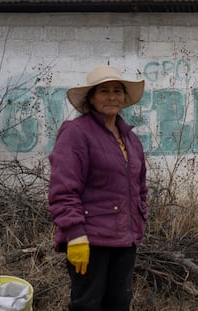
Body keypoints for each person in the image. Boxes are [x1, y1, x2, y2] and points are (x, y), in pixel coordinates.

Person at [48, 65, 148, 311]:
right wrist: (74, 233)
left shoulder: (130, 139)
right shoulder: (76, 133)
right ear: (91, 98)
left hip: (125, 240)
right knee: (87, 305)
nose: (112, 96)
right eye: (104, 91)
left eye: (117, 91)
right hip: (90, 240)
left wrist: (139, 219)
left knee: (119, 303)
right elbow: (63, 189)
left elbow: (140, 186)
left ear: (124, 98)